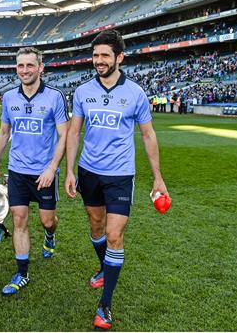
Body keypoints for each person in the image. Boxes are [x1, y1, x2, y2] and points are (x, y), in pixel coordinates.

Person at [64, 30, 169, 330]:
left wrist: (158, 178)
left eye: (104, 56)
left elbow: (148, 135)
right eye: (95, 55)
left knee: (114, 235)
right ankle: (103, 267)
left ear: (119, 57)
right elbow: (74, 132)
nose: (98, 61)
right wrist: (70, 170)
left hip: (121, 175)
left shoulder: (135, 93)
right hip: (89, 172)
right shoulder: (83, 91)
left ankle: (105, 305)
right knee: (96, 226)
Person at [0, 47, 69, 295]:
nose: (25, 70)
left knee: (47, 220)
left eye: (30, 65)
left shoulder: (55, 97)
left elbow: (64, 134)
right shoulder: (9, 97)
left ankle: (50, 235)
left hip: (44, 172)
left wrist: (52, 168)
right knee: (19, 219)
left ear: (40, 68)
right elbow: (4, 132)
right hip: (17, 171)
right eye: (20, 66)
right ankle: (22, 273)